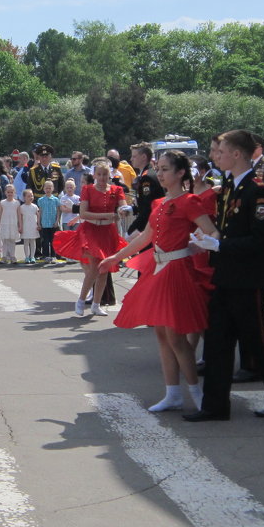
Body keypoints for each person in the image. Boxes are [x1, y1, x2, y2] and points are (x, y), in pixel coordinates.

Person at [189, 129, 264, 421]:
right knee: (217, 341)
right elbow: (225, 226)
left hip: (249, 278)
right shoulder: (229, 186)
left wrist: (220, 244)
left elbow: (259, 240)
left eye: (221, 151)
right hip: (226, 274)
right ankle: (214, 406)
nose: (216, 156)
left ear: (237, 154)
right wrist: (208, 239)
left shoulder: (258, 189)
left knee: (255, 341)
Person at [101, 151, 219, 412]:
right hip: (159, 268)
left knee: (176, 337)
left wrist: (202, 244)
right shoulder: (159, 203)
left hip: (178, 270)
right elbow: (146, 238)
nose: (161, 174)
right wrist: (116, 256)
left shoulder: (189, 201)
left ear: (180, 173)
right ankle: (173, 393)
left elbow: (211, 231)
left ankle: (196, 393)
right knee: (162, 335)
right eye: (159, 169)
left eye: (165, 169)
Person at [54, 159, 129, 317]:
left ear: (110, 175)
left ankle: (96, 304)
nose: (102, 178)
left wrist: (124, 210)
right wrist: (109, 215)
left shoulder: (116, 190)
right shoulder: (88, 189)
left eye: (105, 175)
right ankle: (81, 300)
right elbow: (83, 213)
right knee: (94, 267)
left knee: (104, 270)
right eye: (99, 174)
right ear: (94, 175)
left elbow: (122, 206)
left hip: (108, 232)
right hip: (91, 231)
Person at [127, 144, 164, 238]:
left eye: (134, 156)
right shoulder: (146, 174)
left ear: (143, 157)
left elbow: (147, 208)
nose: (131, 159)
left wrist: (134, 228)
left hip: (149, 226)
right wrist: (133, 209)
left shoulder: (147, 177)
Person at [0, 184, 21, 264]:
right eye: (8, 192)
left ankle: (12, 256)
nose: (10, 194)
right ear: (5, 192)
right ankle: (4, 256)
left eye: (11, 192)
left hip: (13, 224)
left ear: (14, 192)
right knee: (5, 241)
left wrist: (20, 225)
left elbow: (19, 215)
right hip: (4, 224)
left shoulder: (17, 203)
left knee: (12, 241)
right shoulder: (2, 203)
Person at [36, 180, 60, 263]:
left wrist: (57, 221)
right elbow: (40, 212)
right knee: (45, 241)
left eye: (50, 188)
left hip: (53, 224)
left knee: (53, 241)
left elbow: (58, 211)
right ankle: (45, 255)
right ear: (44, 189)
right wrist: (39, 223)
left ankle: (53, 256)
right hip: (44, 224)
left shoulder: (56, 200)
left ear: (52, 189)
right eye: (46, 188)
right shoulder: (41, 200)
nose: (48, 190)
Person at [19, 188, 40, 264]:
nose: (31, 197)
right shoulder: (22, 207)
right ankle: (27, 256)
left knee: (33, 241)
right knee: (26, 242)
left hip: (33, 226)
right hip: (25, 226)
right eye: (29, 196)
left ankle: (32, 256)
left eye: (32, 196)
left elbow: (38, 216)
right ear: (24, 197)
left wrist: (38, 224)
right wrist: (20, 227)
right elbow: (20, 218)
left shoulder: (34, 206)